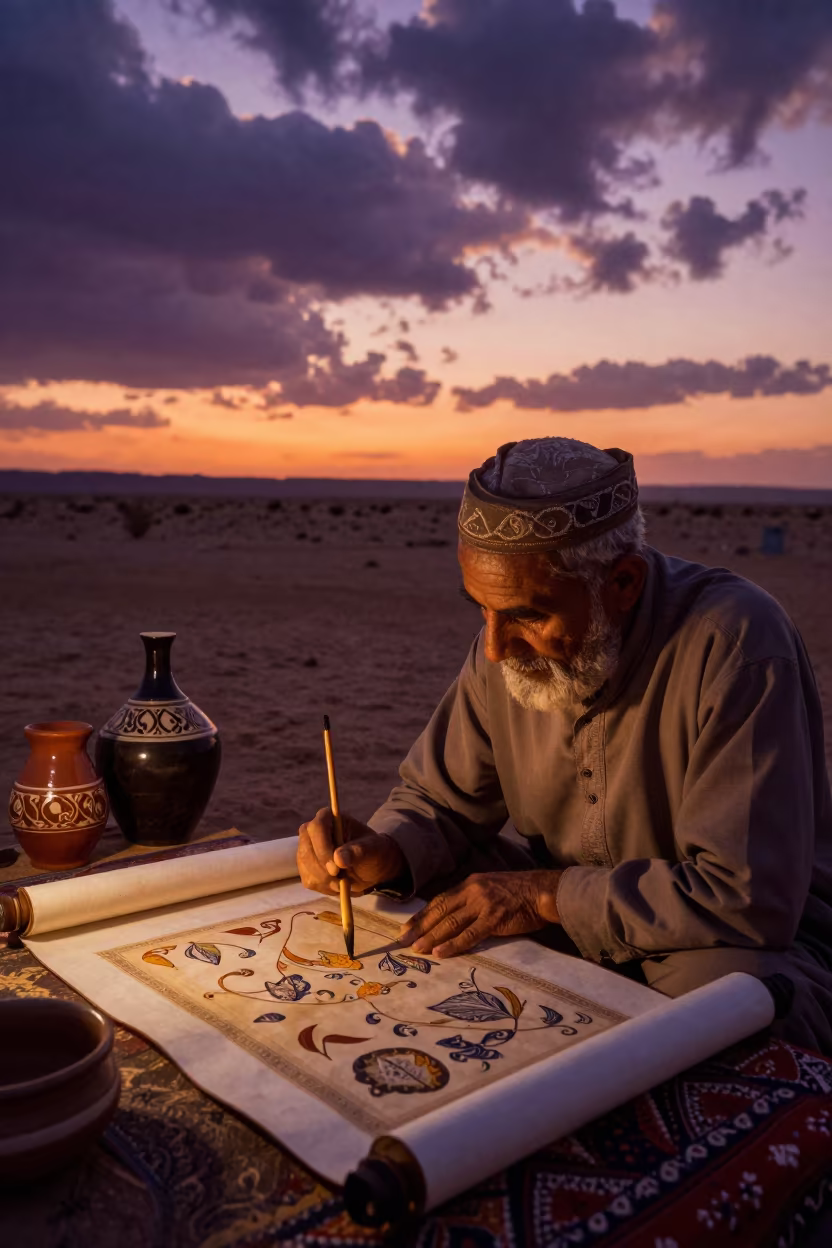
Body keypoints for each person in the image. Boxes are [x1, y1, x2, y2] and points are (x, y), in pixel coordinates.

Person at [298, 437, 832, 1053]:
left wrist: (546, 895)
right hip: (568, 917)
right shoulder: (501, 654)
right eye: (482, 611)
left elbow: (745, 897)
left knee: (726, 1003)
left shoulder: (734, 641)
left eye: (527, 615)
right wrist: (385, 850)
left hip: (721, 939)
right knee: (427, 898)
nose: (496, 648)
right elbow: (438, 803)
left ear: (623, 582)